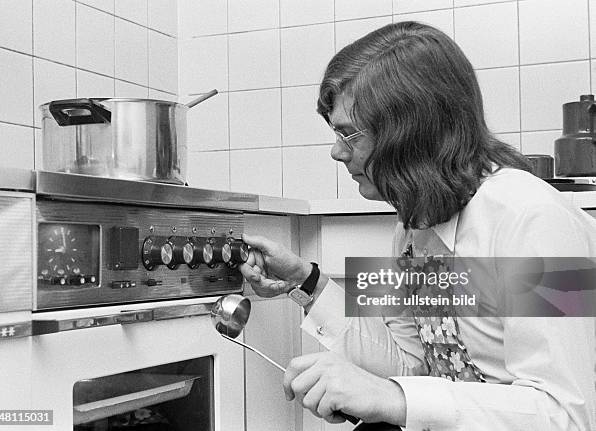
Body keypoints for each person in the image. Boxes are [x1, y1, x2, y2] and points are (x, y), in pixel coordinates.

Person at [239, 21, 596, 430]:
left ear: (408, 131)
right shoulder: (412, 226)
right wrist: (306, 281)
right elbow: (409, 361)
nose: (337, 152)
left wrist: (393, 398)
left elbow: (566, 415)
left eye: (348, 135)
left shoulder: (535, 219)